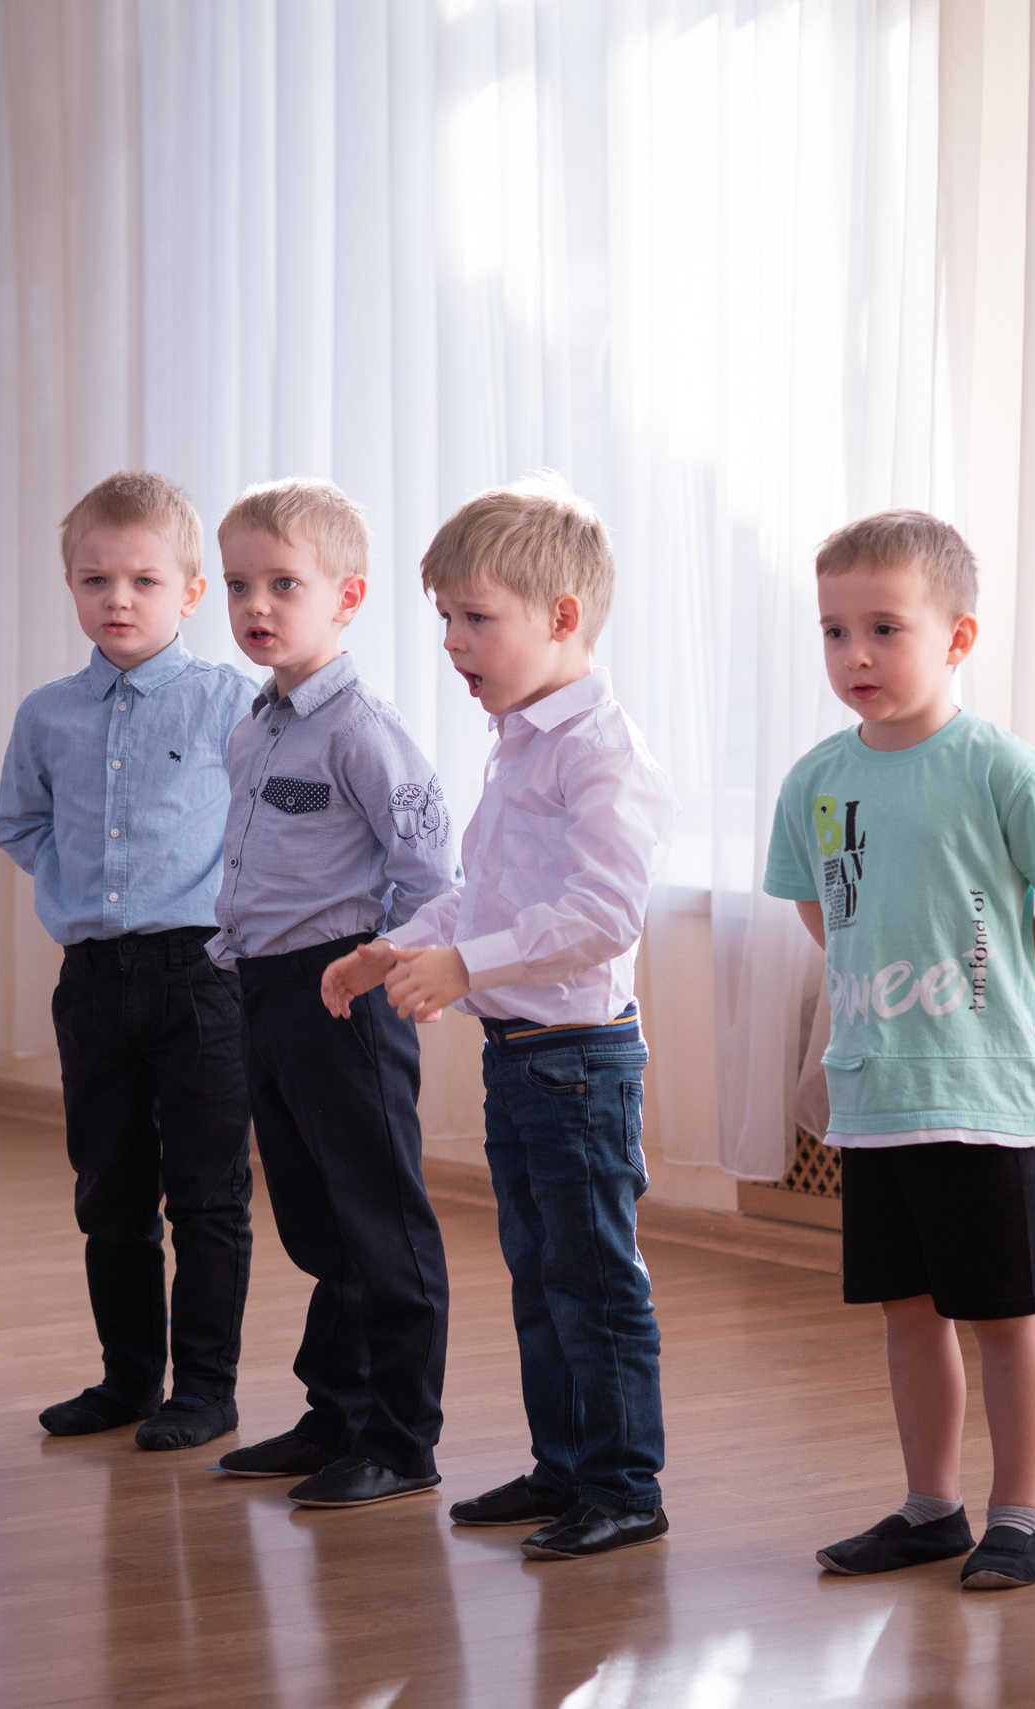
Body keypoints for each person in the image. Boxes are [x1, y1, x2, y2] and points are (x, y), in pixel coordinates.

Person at [322, 478, 676, 1560]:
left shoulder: (599, 750)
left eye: (475, 617)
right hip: (519, 1055)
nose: (450, 641)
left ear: (562, 616)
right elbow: (485, 892)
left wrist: (463, 965)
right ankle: (563, 1465)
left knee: (593, 1280)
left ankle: (623, 1484)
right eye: (444, 617)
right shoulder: (519, 740)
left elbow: (602, 916)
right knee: (538, 1272)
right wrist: (399, 946)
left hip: (580, 1061)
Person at [765, 511, 1035, 1592]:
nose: (854, 654)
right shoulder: (816, 780)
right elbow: (825, 910)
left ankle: (1021, 1514)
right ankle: (931, 1507)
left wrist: (991, 988)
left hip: (977, 1091)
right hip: (874, 1091)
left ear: (957, 638)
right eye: (834, 631)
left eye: (884, 628)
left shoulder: (996, 765)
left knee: (1000, 1311)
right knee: (906, 1312)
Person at [205, 477, 460, 1509]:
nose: (256, 605)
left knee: (377, 1217)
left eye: (283, 584)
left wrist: (383, 964)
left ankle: (401, 1438)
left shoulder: (363, 728)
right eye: (238, 585)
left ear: (347, 597)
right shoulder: (255, 726)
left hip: (342, 991)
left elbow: (430, 871)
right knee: (317, 1220)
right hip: (263, 989)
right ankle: (337, 1413)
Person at [0, 472, 259, 1451]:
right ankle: (127, 1378)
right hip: (95, 983)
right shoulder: (47, 715)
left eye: (145, 581)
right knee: (109, 1191)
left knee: (206, 1193)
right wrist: (81, 889)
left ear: (190, 591)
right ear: (70, 584)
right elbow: (19, 822)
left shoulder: (235, 704)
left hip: (204, 977)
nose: (119, 599)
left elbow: (278, 822)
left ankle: (207, 1388)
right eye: (96, 579)